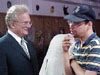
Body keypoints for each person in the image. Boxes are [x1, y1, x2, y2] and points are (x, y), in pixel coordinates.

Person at [0, 5, 39, 75]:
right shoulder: (2, 45)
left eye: (29, 22)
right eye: (25, 23)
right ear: (12, 24)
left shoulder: (30, 44)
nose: (29, 26)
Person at [63, 4, 100, 75]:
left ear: (89, 24)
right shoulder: (77, 44)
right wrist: (65, 52)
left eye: (77, 23)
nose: (72, 27)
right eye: (71, 22)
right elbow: (69, 73)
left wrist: (73, 62)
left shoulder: (96, 45)